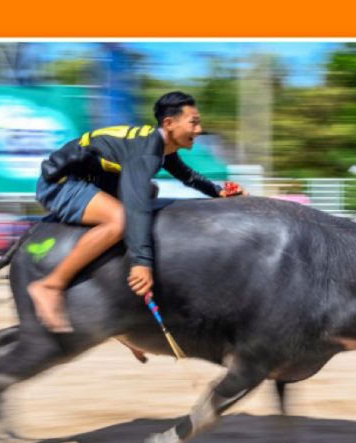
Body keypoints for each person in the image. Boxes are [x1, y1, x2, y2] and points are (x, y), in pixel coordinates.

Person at [29, 91, 245, 332]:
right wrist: (142, 262)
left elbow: (187, 176)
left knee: (149, 191)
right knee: (121, 219)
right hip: (61, 183)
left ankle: (113, 295)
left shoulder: (162, 146)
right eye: (193, 122)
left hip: (94, 180)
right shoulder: (146, 152)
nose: (198, 130)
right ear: (169, 124)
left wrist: (218, 192)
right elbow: (135, 206)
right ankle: (50, 285)